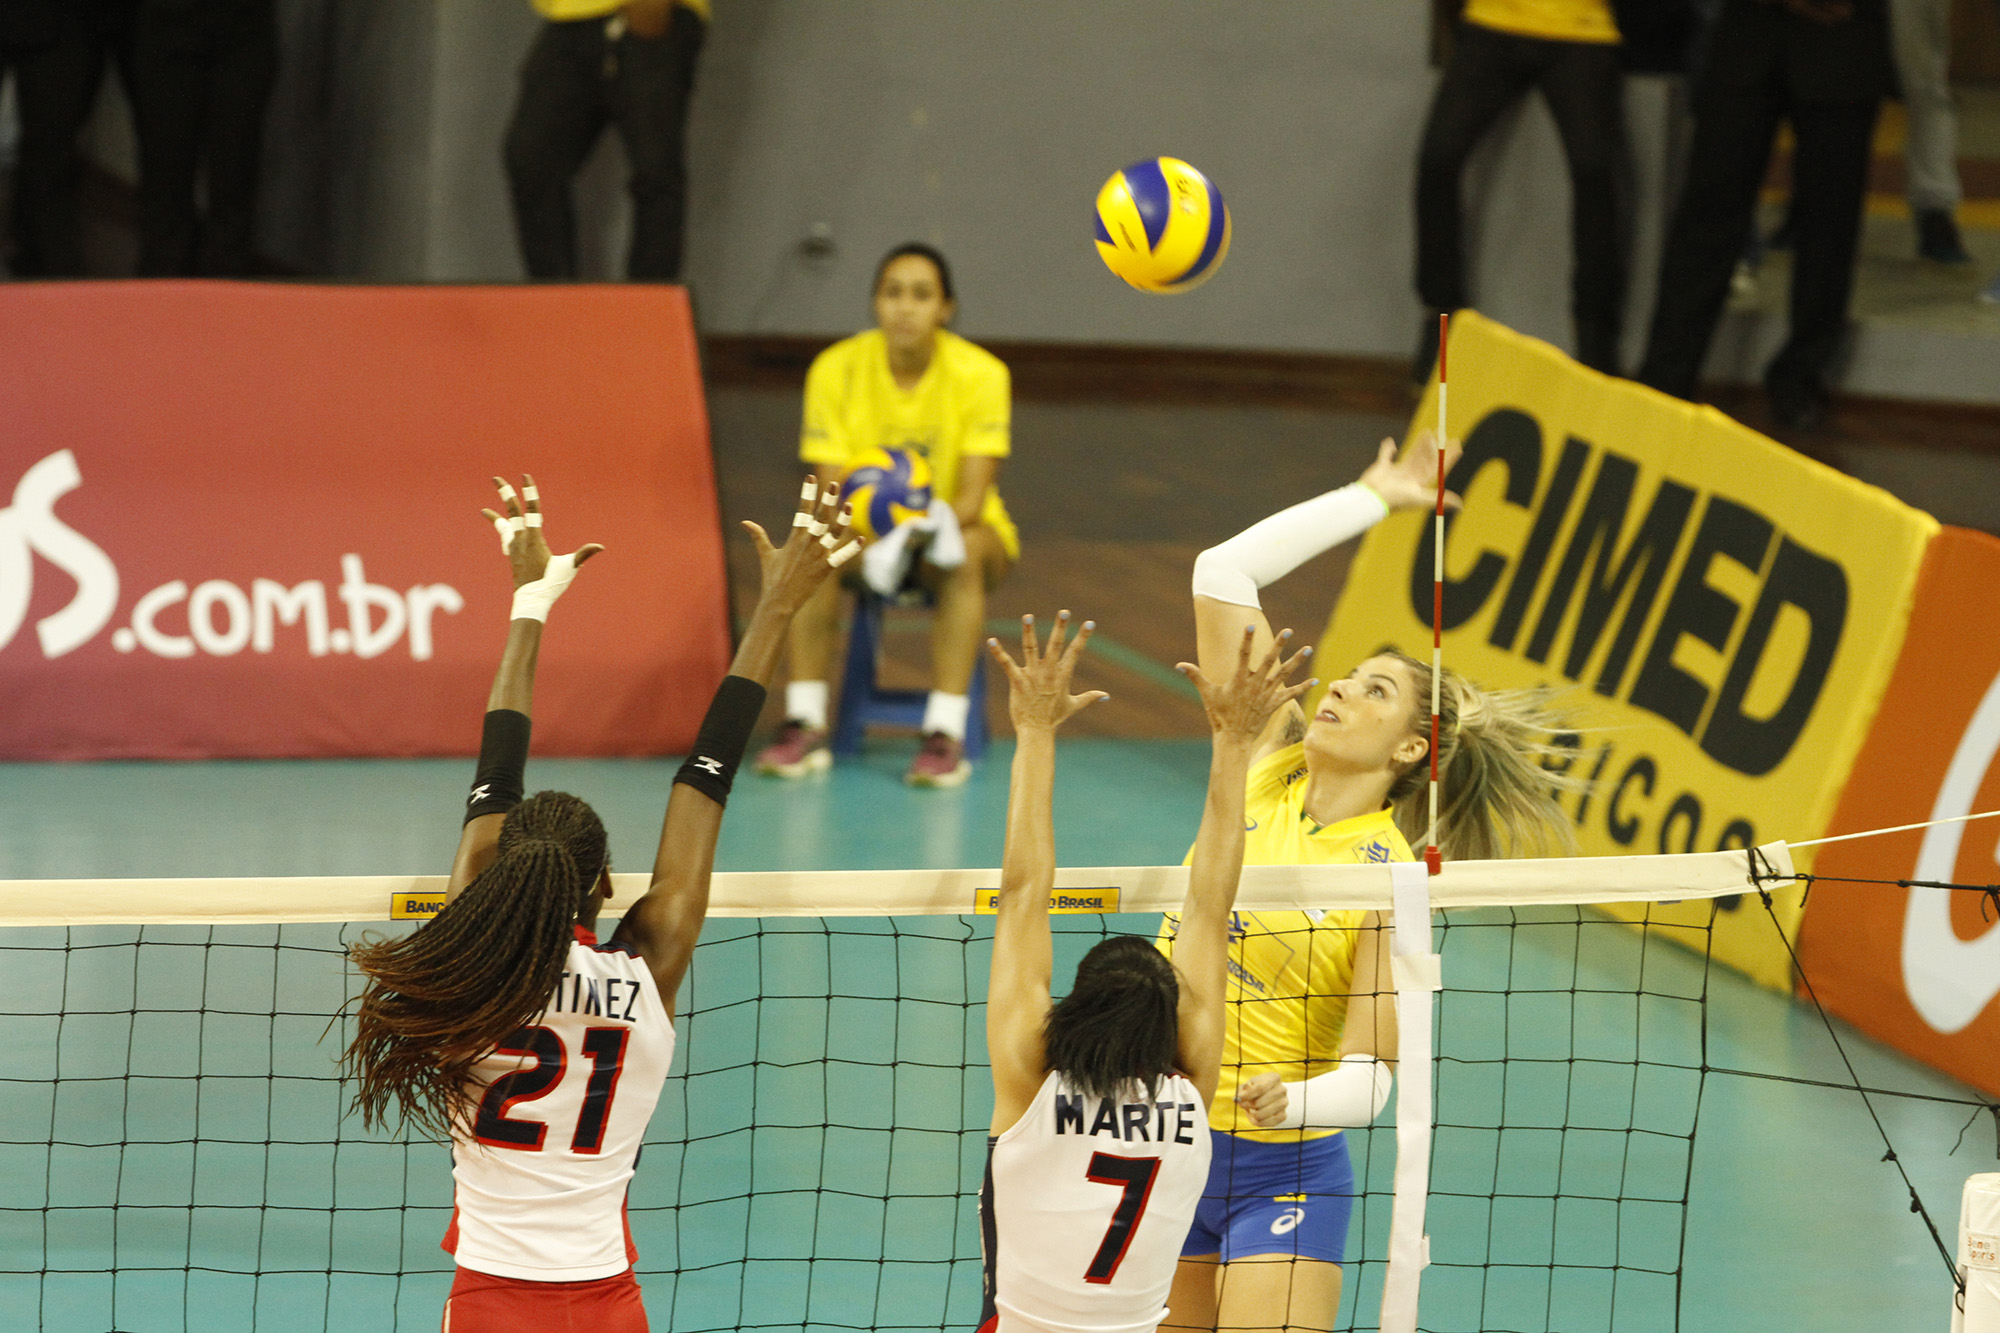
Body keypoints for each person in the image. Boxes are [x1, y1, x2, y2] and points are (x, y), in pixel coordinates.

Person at [343, 472, 856, 1331]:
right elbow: (708, 778)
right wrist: (775, 609)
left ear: (499, 868)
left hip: (488, 1302)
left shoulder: (470, 965)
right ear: (608, 885)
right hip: (608, 1303)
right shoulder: (646, 969)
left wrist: (533, 599)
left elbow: (493, 773)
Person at [1161, 432, 1578, 1333]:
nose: (1342, 688)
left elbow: (1371, 1077)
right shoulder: (1261, 757)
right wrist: (1372, 497)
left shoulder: (1392, 882)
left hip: (1283, 1168)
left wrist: (1292, 1100)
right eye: (1349, 677)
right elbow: (1222, 569)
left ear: (1410, 749)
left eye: (1376, 691)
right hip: (1164, 1137)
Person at [979, 609, 1314, 1333]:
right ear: (1170, 1023)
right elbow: (1210, 903)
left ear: (1067, 1012)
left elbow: (1023, 891)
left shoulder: (1029, 1071)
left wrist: (1034, 731)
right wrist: (1232, 742)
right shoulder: (1192, 1084)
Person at [754, 242, 1017, 788]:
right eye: (892, 292)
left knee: (966, 553)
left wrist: (916, 533)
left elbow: (972, 495)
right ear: (875, 303)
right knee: (812, 546)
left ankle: (943, 734)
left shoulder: (983, 374)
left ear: (946, 308)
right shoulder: (834, 369)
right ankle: (804, 722)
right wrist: (881, 539)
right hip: (863, 533)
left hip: (954, 532)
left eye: (922, 295)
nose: (905, 307)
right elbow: (832, 492)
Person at [1635, 0, 1891, 429]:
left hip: (1845, 32)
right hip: (1749, 30)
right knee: (1708, 211)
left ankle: (1801, 378)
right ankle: (1667, 374)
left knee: (1830, 223)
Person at [1412, 0, 1628, 380]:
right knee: (1438, 159)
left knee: (1596, 172)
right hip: (1492, 22)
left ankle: (1596, 339)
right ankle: (1441, 317)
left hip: (1586, 29)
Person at [503, 0, 707, 282]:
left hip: (648, 12)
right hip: (569, 16)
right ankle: (554, 307)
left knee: (655, 172)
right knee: (531, 158)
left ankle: (647, 314)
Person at [127, 0, 277, 276]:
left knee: (234, 178)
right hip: (168, 30)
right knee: (165, 179)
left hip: (243, 32)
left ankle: (225, 298)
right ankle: (161, 295)